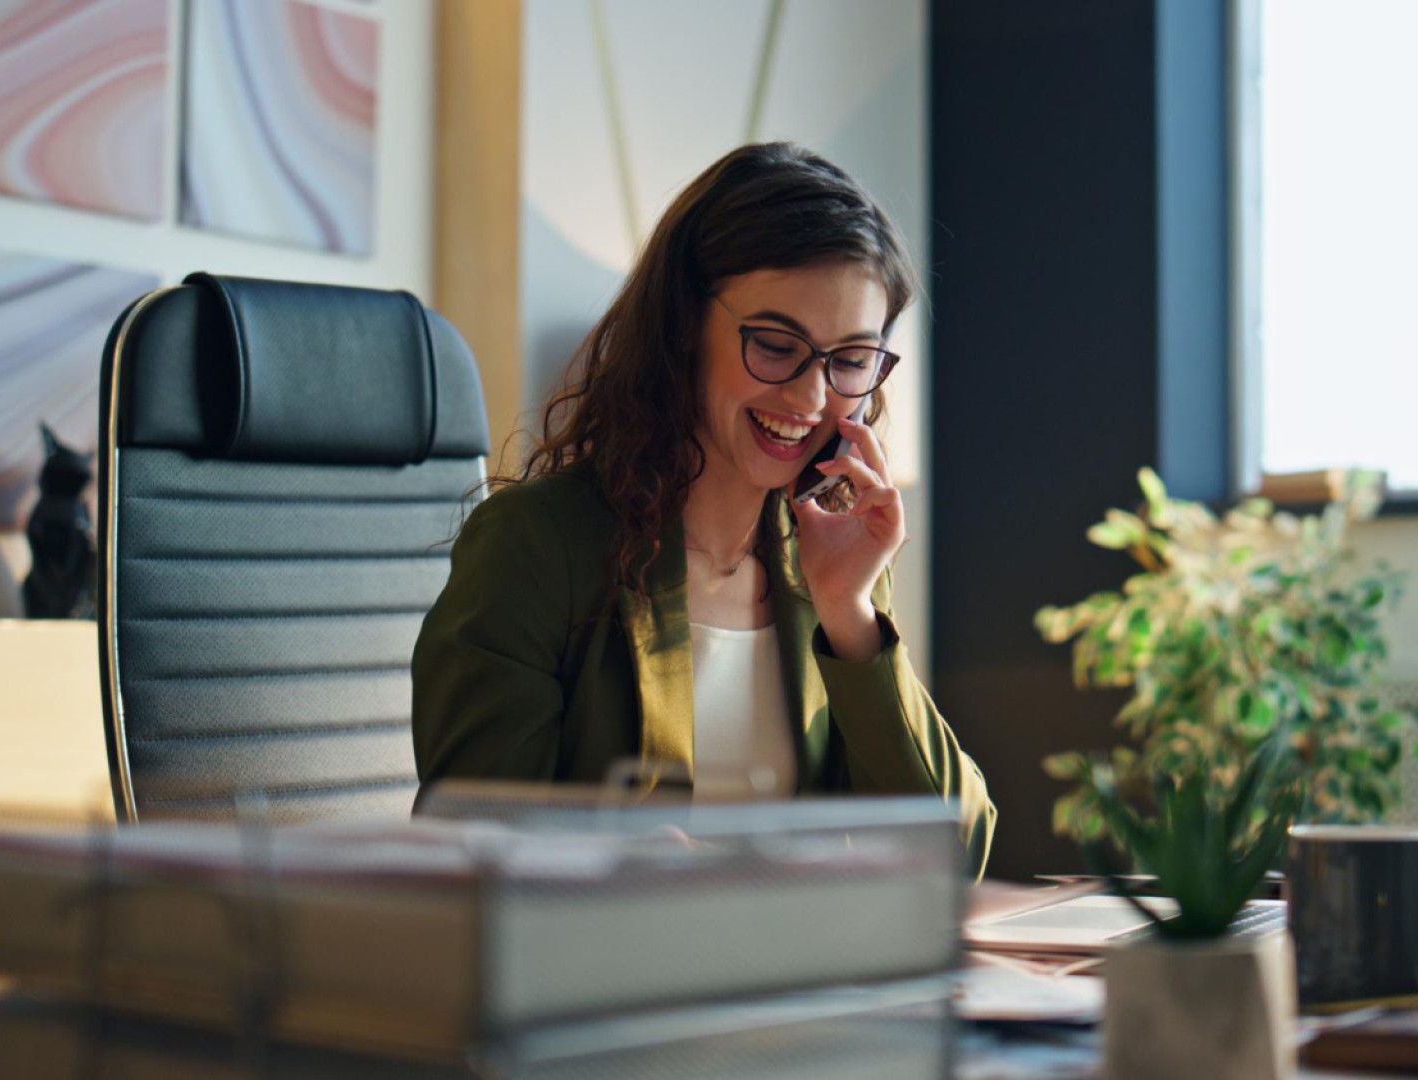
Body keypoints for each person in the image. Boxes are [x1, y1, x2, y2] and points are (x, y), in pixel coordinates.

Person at [411, 142, 995, 875]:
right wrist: (637, 864)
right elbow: (468, 848)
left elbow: (954, 854)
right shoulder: (535, 547)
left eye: (850, 359)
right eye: (777, 346)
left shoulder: (827, 562)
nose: (812, 398)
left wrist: (851, 618)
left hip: (796, 979)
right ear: (683, 324)